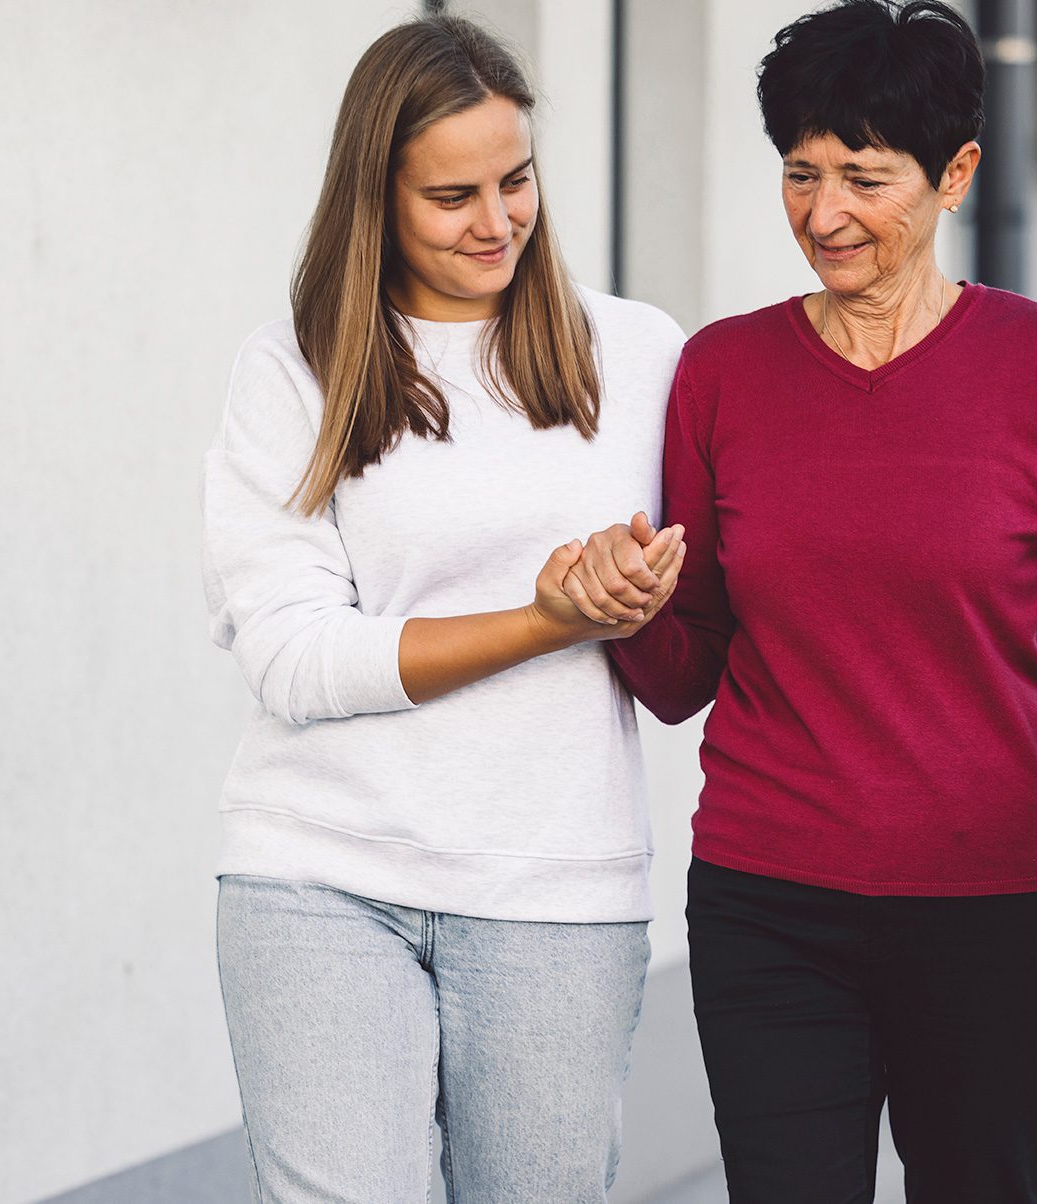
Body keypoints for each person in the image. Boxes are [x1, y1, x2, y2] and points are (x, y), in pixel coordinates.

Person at [562, 2, 1037, 1200]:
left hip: (998, 909)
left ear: (957, 175)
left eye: (864, 176)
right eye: (800, 173)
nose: (824, 213)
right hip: (769, 908)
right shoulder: (724, 372)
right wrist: (622, 609)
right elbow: (689, 671)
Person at [199, 15, 687, 1203]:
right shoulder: (295, 370)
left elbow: (704, 622)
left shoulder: (638, 357)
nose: (496, 221)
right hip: (321, 880)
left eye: (515, 181)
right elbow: (298, 658)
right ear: (378, 198)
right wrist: (550, 618)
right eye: (451, 195)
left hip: (558, 889)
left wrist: (639, 598)